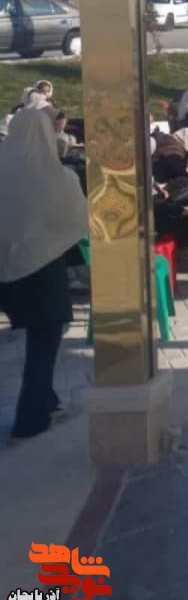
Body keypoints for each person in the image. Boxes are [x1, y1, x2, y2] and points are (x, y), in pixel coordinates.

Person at [0, 107, 87, 441]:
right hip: (44, 270)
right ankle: (30, 421)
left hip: (7, 270)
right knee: (43, 346)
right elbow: (76, 220)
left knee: (39, 344)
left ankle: (48, 400)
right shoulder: (60, 178)